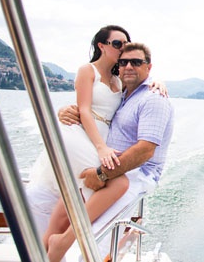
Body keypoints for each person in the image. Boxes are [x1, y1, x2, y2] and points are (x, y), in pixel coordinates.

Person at [46, 42, 174, 262]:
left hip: (134, 176)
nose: (129, 66)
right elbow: (95, 111)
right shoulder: (125, 95)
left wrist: (102, 175)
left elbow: (145, 151)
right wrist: (64, 111)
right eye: (123, 62)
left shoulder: (153, 99)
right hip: (110, 169)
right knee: (63, 218)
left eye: (136, 62)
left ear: (149, 67)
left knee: (96, 244)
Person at [29, 25, 132, 252]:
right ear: (102, 46)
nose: (123, 48)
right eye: (117, 43)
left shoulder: (119, 78)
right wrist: (101, 148)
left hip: (101, 136)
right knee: (117, 182)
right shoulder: (87, 70)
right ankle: (68, 241)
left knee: (74, 199)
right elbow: (84, 109)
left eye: (126, 44)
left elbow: (142, 80)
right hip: (79, 134)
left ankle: (53, 247)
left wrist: (158, 84)